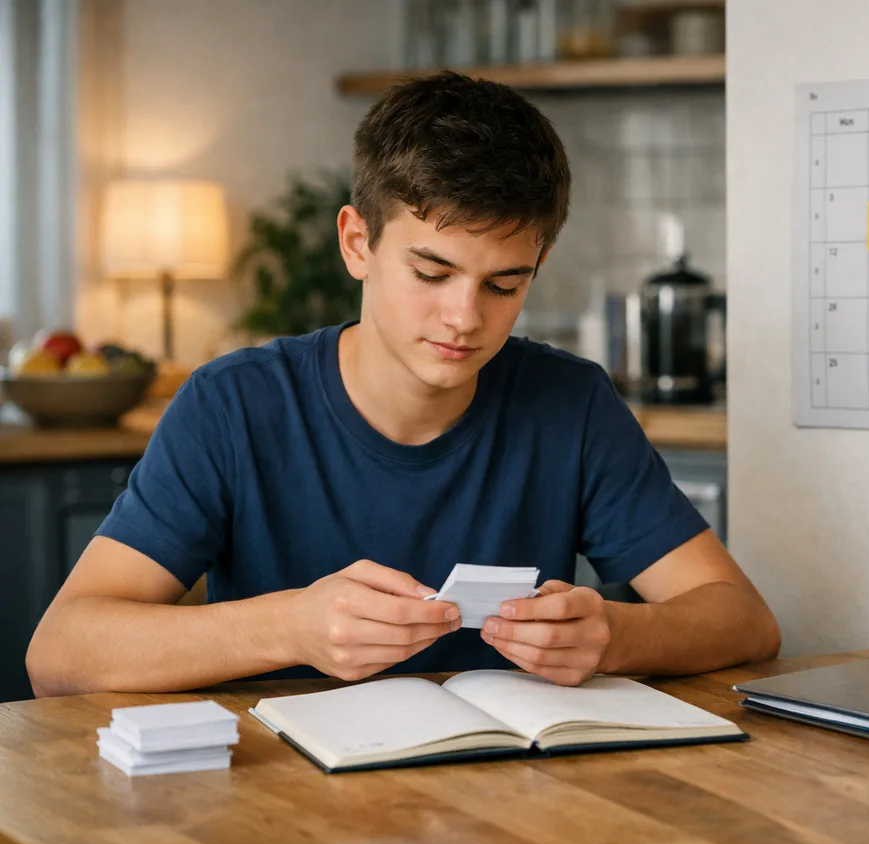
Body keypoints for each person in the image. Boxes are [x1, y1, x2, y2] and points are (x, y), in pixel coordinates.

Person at [26, 72, 780, 697]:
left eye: (504, 284)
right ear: (358, 242)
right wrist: (288, 626)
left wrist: (616, 633)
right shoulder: (233, 405)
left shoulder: (570, 403)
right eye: (432, 272)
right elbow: (60, 653)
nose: (464, 319)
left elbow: (743, 619)